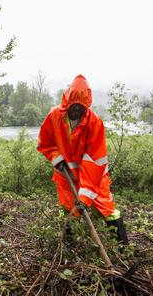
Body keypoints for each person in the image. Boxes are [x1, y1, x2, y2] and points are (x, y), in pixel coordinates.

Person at [37, 74, 128, 245]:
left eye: (81, 107)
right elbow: (45, 143)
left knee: (108, 209)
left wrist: (85, 199)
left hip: (95, 176)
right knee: (68, 206)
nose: (77, 110)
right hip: (66, 174)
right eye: (74, 106)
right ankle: (69, 247)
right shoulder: (54, 116)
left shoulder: (94, 123)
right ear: (67, 103)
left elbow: (95, 160)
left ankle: (123, 248)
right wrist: (57, 159)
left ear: (86, 105)